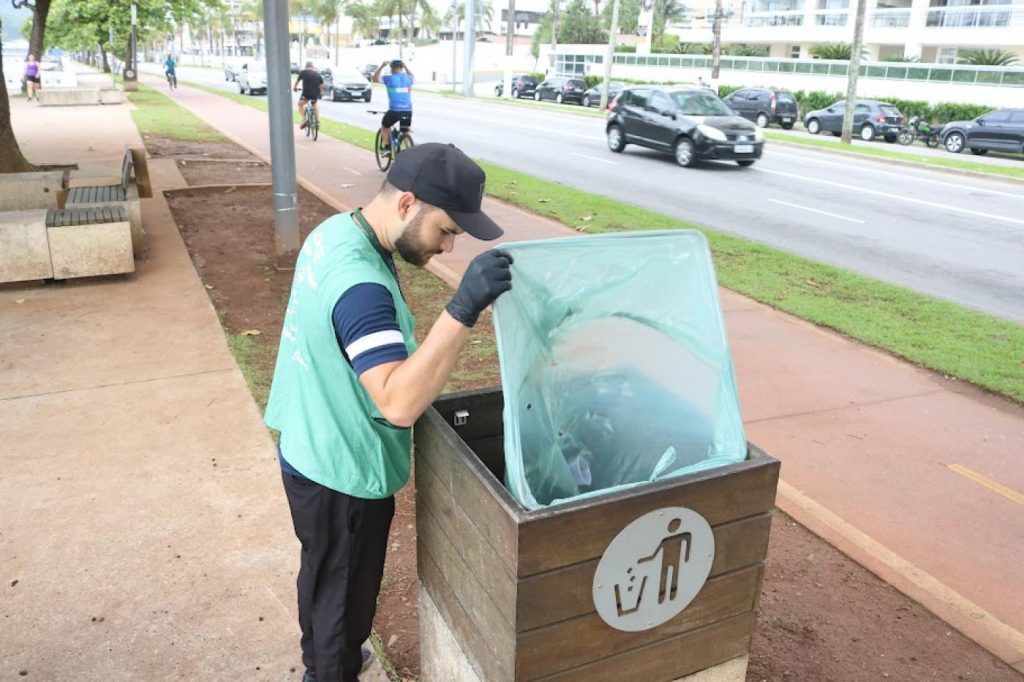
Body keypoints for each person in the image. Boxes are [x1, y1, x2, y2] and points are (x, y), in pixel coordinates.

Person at [264, 142, 512, 682]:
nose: (448, 246)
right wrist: (462, 309)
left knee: (324, 573)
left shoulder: (335, 233)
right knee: (343, 595)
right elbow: (398, 402)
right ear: (407, 204)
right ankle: (328, 669)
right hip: (342, 470)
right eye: (446, 230)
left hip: (308, 440)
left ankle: (330, 656)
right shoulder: (362, 289)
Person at [372, 59, 413, 153]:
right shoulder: (408, 79)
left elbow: (374, 79)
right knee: (405, 130)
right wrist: (405, 67)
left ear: (392, 68)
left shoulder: (389, 78)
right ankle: (410, 151)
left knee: (385, 126)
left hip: (394, 110)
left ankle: (387, 148)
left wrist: (382, 66)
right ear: (401, 68)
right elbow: (412, 76)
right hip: (408, 110)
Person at [294, 61, 324, 130]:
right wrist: (320, 93)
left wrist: (295, 88)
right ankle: (317, 121)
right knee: (315, 103)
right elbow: (322, 85)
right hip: (315, 93)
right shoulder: (317, 74)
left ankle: (304, 119)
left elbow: (297, 81)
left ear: (306, 66)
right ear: (313, 67)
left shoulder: (303, 72)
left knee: (300, 105)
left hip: (306, 93)